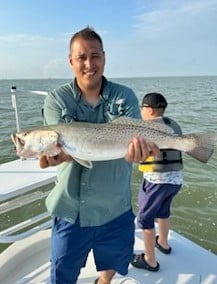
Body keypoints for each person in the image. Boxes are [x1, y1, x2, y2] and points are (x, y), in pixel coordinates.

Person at [39, 27, 159, 284]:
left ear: (104, 57)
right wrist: (56, 154)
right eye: (81, 57)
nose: (89, 64)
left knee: (115, 260)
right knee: (62, 273)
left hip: (115, 205)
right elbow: (63, 146)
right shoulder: (56, 99)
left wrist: (140, 153)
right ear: (71, 61)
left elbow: (134, 144)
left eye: (95, 56)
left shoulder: (124, 95)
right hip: (71, 208)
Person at [131, 92, 183, 272]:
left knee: (145, 220)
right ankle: (163, 243)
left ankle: (150, 260)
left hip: (156, 181)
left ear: (150, 110)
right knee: (163, 212)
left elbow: (139, 155)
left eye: (142, 108)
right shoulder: (173, 124)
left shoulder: (147, 128)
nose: (141, 112)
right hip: (175, 181)